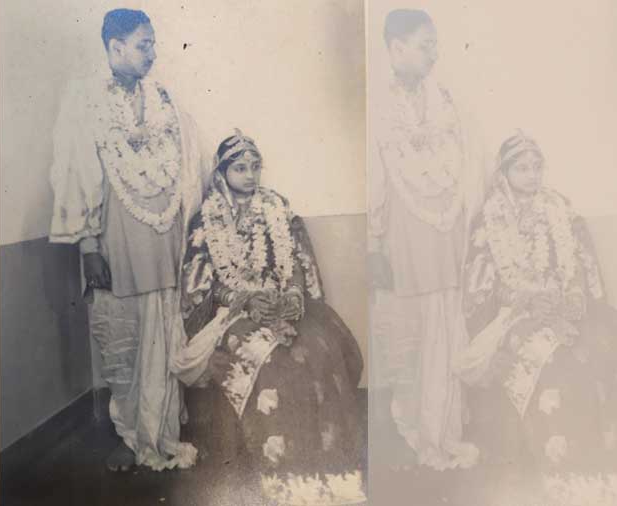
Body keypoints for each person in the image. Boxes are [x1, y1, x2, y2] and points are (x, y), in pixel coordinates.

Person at [48, 8, 210, 471]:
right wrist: (88, 246)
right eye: (144, 44)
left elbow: (187, 162)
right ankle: (131, 433)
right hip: (117, 238)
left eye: (154, 43)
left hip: (165, 238)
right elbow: (75, 173)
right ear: (115, 47)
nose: (153, 53)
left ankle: (161, 431)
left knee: (164, 330)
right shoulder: (86, 100)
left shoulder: (163, 97)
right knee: (126, 337)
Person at [174, 131, 366, 505]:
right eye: (241, 168)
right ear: (222, 172)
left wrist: (293, 294)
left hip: (281, 303)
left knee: (317, 348)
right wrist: (243, 300)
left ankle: (327, 465)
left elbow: (296, 263)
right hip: (231, 313)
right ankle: (277, 467)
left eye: (255, 167)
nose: (250, 175)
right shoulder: (205, 219)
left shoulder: (277, 207)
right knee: (271, 360)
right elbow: (199, 287)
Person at [457, 131, 617, 504]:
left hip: (564, 307)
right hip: (516, 315)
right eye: (522, 168)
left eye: (537, 167)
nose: (532, 175)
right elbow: (480, 285)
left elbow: (582, 265)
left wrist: (572, 297)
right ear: (504, 172)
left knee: (595, 346)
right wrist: (524, 300)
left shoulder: (561, 207)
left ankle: (598, 454)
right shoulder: (488, 219)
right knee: (549, 359)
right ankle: (559, 459)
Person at [367, 8, 486, 470]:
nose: (433, 53)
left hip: (446, 228)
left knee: (445, 323)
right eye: (424, 44)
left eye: (435, 44)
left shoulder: (448, 100)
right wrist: (375, 242)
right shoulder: (377, 105)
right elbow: (377, 179)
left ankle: (445, 428)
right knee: (412, 330)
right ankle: (419, 426)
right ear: (395, 48)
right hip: (403, 232)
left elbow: (467, 164)